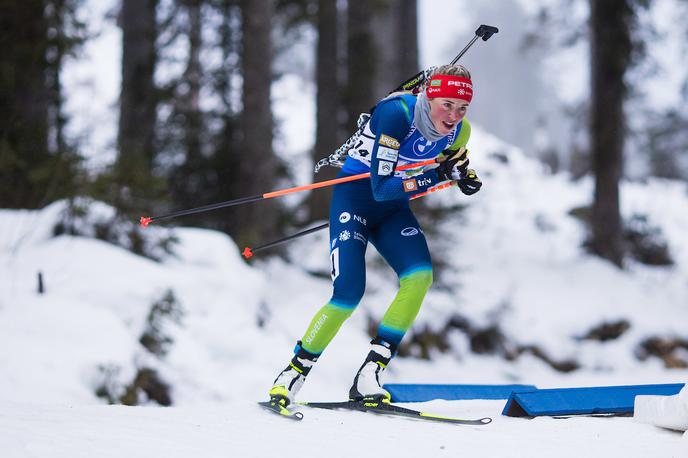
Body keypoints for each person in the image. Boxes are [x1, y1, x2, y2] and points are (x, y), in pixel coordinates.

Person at [268, 64, 483, 406]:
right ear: (428, 96)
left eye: (462, 108)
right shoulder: (395, 114)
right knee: (349, 293)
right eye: (447, 104)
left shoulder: (460, 132)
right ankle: (293, 373)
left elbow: (451, 163)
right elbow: (382, 187)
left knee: (420, 277)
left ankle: (371, 373)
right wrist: (439, 175)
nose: (454, 115)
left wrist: (462, 176)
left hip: (393, 211)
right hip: (355, 201)